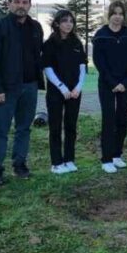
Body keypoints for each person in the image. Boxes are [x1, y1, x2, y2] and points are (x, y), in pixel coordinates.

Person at [0, 0, 44, 184]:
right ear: (9, 4)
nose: (21, 6)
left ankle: (19, 164)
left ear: (29, 4)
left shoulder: (36, 27)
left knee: (24, 128)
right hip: (7, 89)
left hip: (30, 86)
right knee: (1, 129)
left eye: (25, 2)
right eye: (17, 2)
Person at [41, 9, 88, 175]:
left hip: (74, 92)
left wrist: (78, 88)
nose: (68, 24)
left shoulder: (76, 42)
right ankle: (56, 162)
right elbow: (47, 68)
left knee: (71, 126)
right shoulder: (49, 44)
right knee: (55, 127)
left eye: (71, 21)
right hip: (56, 92)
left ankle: (69, 159)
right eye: (65, 21)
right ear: (57, 23)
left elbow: (83, 67)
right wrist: (62, 87)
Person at [92, 2, 127, 174]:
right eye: (114, 13)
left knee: (122, 120)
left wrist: (125, 82)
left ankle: (117, 154)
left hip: (126, 84)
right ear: (109, 15)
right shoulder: (101, 35)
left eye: (121, 13)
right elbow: (99, 62)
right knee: (109, 120)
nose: (118, 17)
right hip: (107, 84)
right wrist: (113, 83)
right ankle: (107, 158)